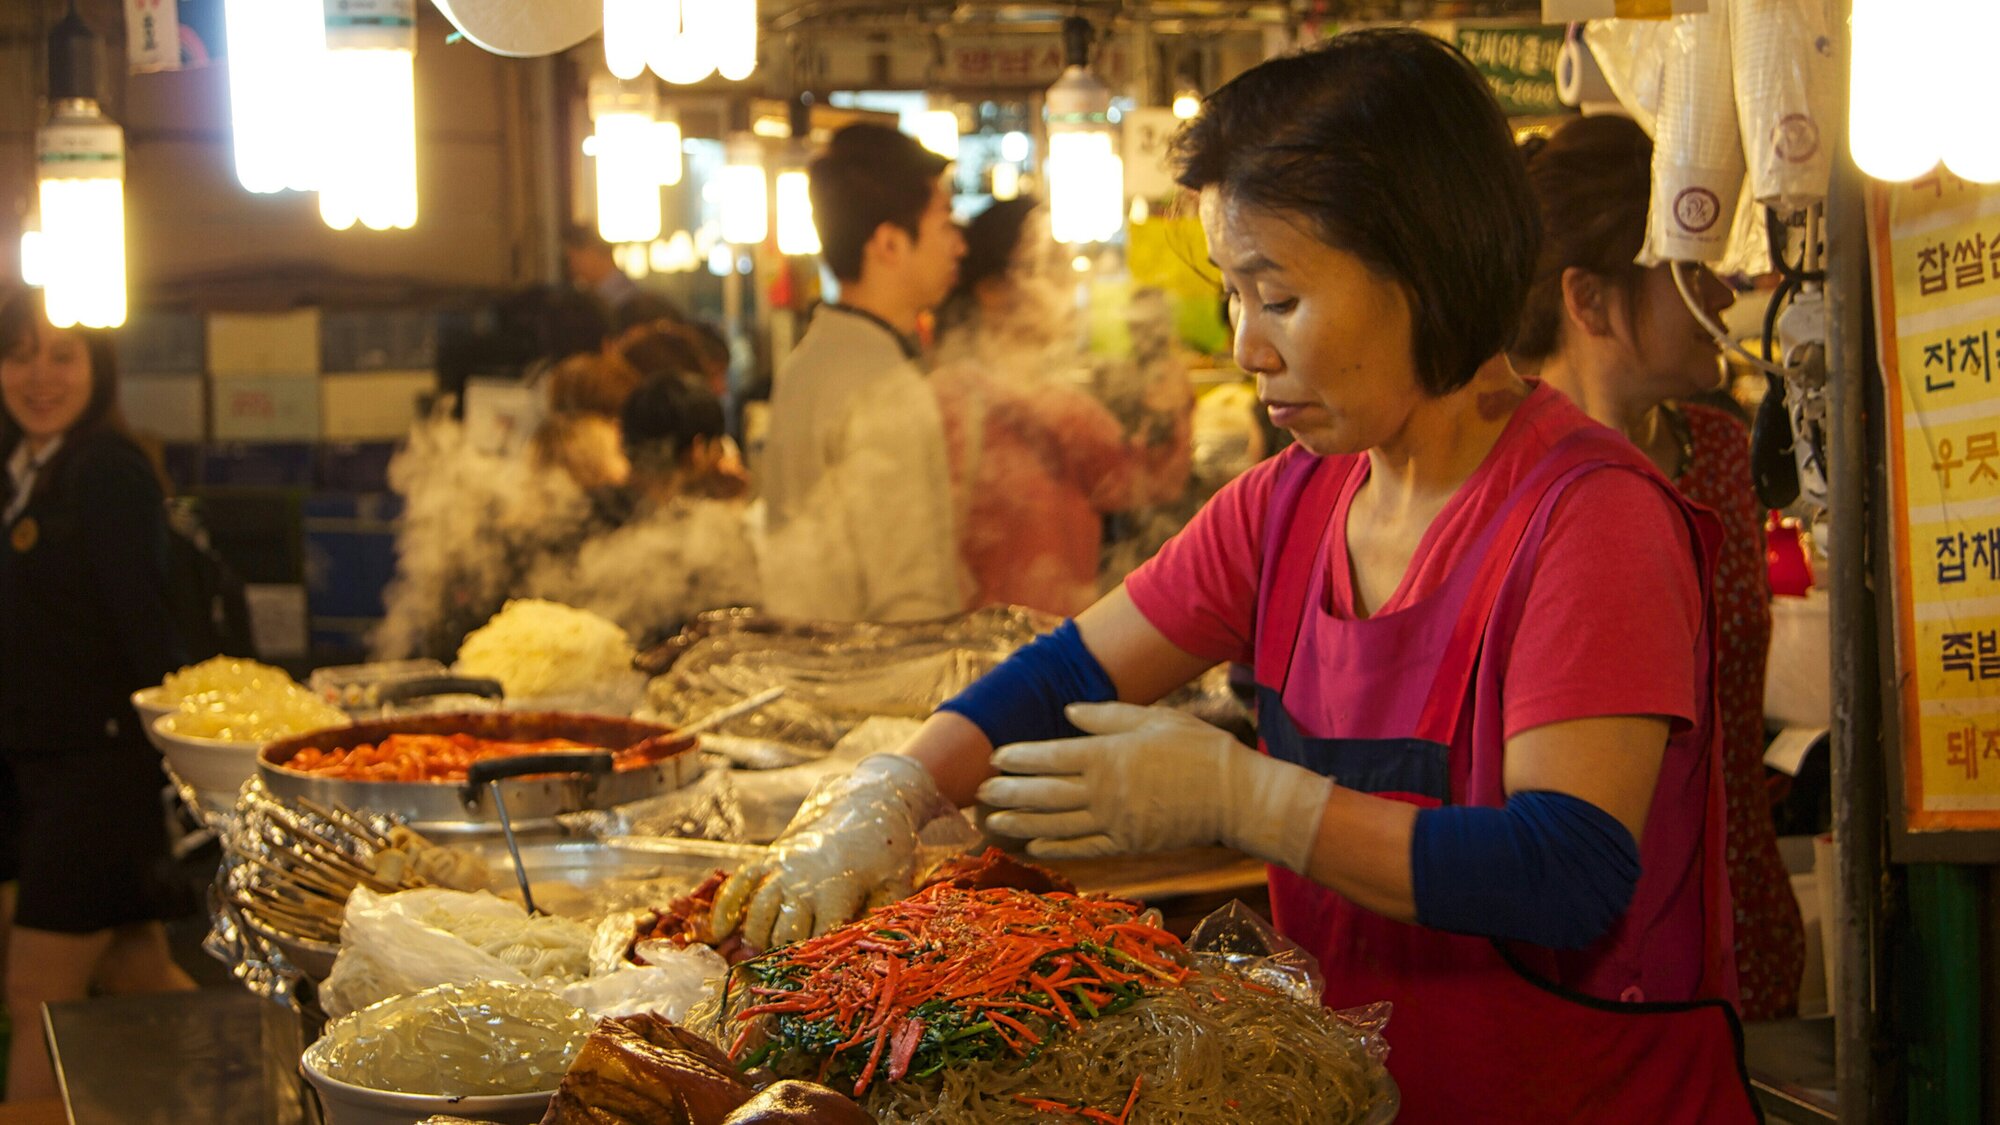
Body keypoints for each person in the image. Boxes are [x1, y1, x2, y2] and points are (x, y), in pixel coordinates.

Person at [711, 31, 1757, 1123]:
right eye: (1233, 294)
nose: (1246, 344)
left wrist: (1245, 799)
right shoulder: (1289, 506)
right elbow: (1063, 674)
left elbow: (1565, 869)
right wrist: (892, 792)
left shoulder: (1588, 519)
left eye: (1279, 297)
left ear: (1424, 267)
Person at [1512, 114, 1805, 1021]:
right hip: (1584, 942)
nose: (1723, 296)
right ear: (1591, 301)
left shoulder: (1720, 451)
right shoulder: (1511, 479)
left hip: (1743, 914)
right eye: (1693, 272)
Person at [0, 290, 197, 1100]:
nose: (40, 375)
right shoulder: (25, 468)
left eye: (64, 354)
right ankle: (256, 1101)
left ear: (99, 367)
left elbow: (146, 622)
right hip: (39, 768)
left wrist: (174, 763)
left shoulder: (106, 469)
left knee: (37, 994)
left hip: (96, 770)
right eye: (19, 353)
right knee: (137, 970)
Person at [932, 197, 1192, 616]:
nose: (1070, 283)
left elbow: (1141, 482)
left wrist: (1168, 414)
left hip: (1048, 646)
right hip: (989, 654)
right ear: (993, 290)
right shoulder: (955, 401)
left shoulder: (1061, 405)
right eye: (1050, 266)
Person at [759, 123, 967, 622]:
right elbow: (912, 596)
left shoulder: (807, 363)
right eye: (944, 224)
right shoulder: (888, 390)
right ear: (889, 244)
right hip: (876, 684)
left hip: (807, 668)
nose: (959, 246)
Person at [561, 224, 685, 336]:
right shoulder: (608, 294)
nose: (571, 267)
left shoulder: (622, 299)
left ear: (590, 252)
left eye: (571, 257)